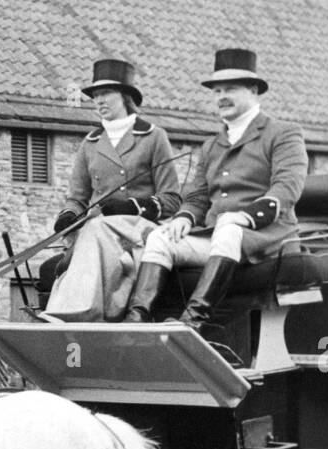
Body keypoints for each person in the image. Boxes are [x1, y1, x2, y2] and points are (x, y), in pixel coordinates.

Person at [124, 48, 307, 335]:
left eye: (230, 88)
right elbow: (198, 197)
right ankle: (136, 318)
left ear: (254, 90)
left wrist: (243, 217)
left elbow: (287, 188)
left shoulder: (283, 133)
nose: (221, 96)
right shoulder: (211, 146)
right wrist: (184, 218)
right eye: (217, 90)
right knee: (161, 237)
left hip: (267, 236)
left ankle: (193, 321)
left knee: (228, 229)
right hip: (218, 236)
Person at [42, 59, 180, 322]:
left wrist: (133, 206)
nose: (99, 100)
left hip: (139, 228)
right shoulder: (91, 143)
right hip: (98, 228)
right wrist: (69, 215)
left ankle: (73, 312)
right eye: (95, 95)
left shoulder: (153, 137)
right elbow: (77, 197)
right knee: (87, 234)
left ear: (125, 96)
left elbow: (172, 199)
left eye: (106, 93)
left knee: (94, 229)